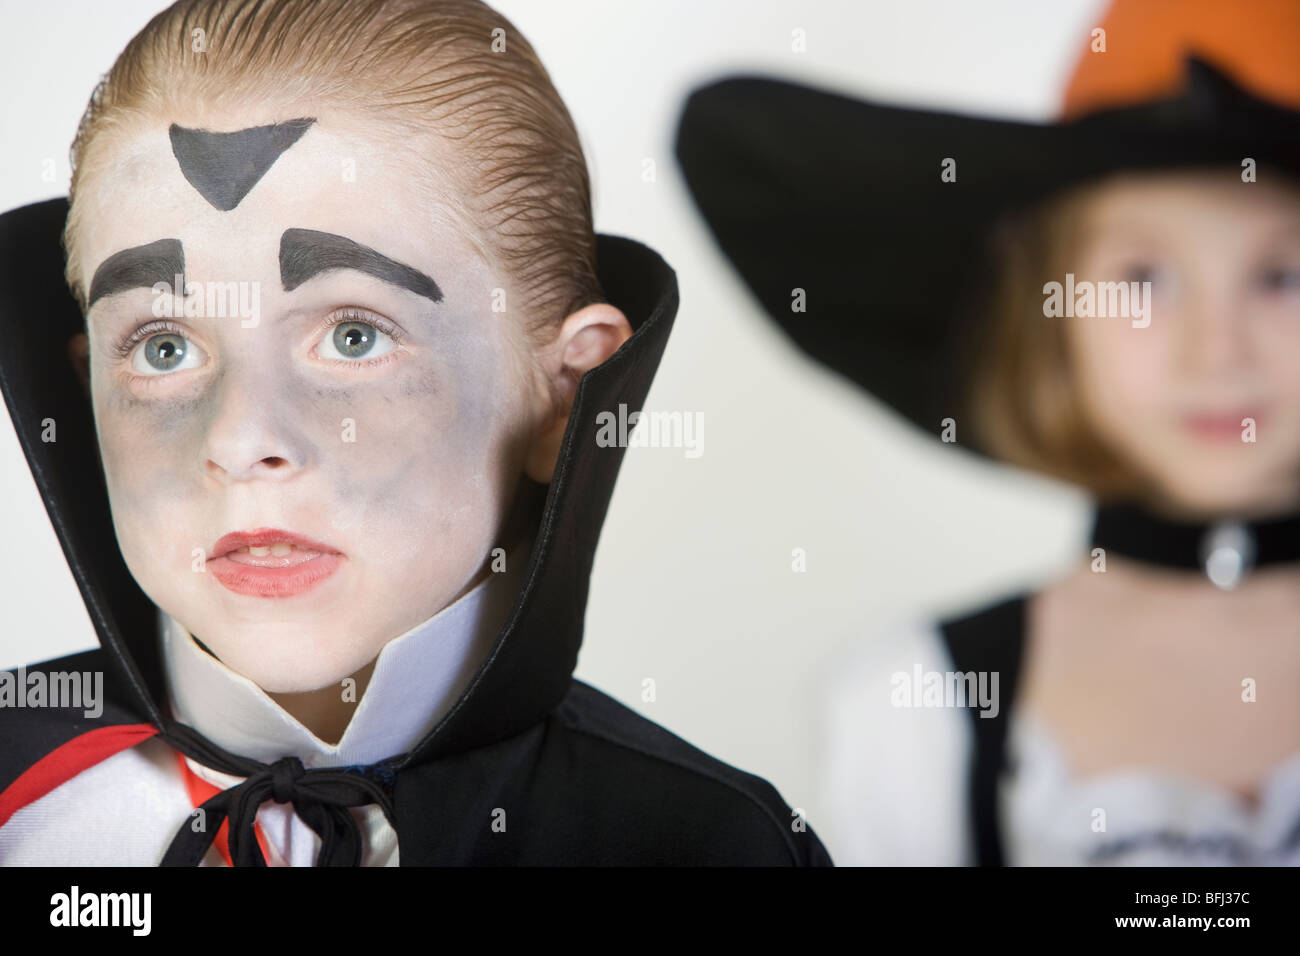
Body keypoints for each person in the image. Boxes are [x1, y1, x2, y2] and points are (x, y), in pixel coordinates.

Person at [0, 0, 832, 866]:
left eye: (354, 335)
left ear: (566, 395)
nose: (243, 441)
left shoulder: (699, 846)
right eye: (163, 347)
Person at [676, 0, 1300, 864]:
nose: (1218, 350)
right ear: (1051, 314)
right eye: (1146, 279)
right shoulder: (922, 698)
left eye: (1282, 275)